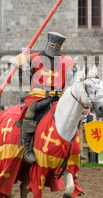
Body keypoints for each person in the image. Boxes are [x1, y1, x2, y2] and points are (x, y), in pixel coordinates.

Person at [11, 32, 77, 164]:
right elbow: (25, 78)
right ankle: (28, 150)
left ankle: (72, 149)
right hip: (38, 97)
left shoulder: (65, 61)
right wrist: (21, 68)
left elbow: (73, 76)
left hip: (57, 97)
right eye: (53, 45)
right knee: (30, 112)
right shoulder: (34, 58)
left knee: (71, 116)